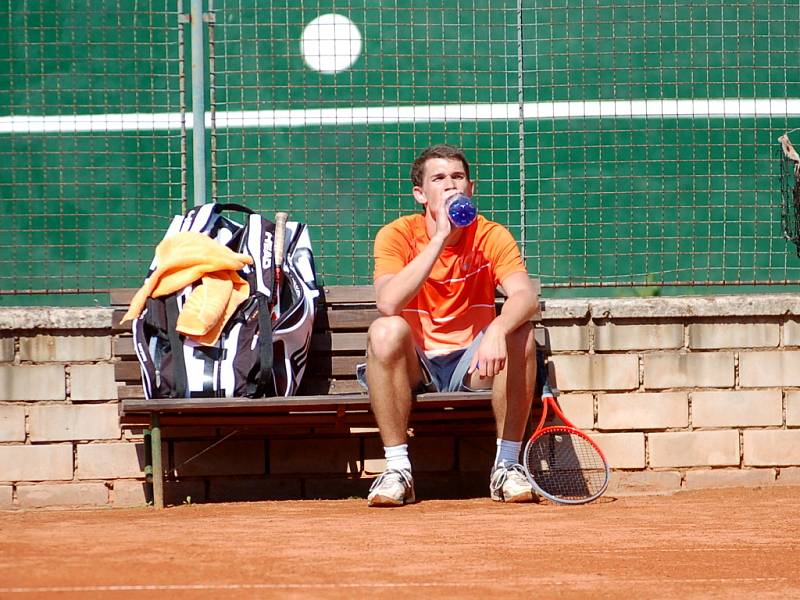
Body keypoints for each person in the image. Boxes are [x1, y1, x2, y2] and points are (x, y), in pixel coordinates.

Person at [361, 144, 540, 507]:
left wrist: (498, 330)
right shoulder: (396, 235)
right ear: (420, 194)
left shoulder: (490, 234)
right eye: (439, 179)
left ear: (471, 188)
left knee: (521, 333)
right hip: (418, 363)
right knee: (385, 330)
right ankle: (398, 471)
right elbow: (388, 302)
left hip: (471, 363)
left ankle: (506, 467)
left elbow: (525, 296)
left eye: (457, 178)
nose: (450, 186)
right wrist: (440, 236)